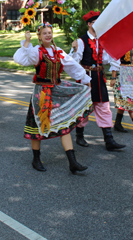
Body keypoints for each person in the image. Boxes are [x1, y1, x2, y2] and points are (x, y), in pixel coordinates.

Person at [14, 24, 93, 174]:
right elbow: (19, 58)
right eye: (45, 33)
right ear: (40, 36)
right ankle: (36, 159)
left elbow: (71, 65)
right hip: (41, 94)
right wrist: (26, 41)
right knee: (38, 126)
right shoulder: (35, 51)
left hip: (56, 90)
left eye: (50, 33)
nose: (48, 35)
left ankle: (72, 162)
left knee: (64, 124)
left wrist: (84, 78)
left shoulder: (58, 51)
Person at [71, 10, 125, 151]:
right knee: (84, 107)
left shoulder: (102, 40)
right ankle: (79, 136)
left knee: (104, 107)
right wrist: (75, 49)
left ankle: (109, 140)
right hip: (86, 77)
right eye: (96, 23)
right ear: (89, 24)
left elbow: (108, 58)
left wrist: (114, 72)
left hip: (99, 77)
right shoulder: (82, 41)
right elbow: (75, 61)